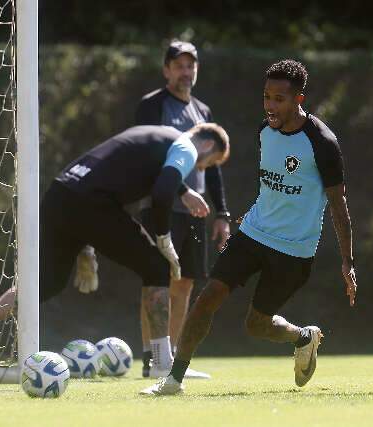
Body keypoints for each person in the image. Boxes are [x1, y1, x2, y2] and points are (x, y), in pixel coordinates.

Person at [142, 59, 357, 396]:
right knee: (207, 297)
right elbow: (272, 185)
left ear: (299, 99)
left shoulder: (322, 143)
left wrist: (347, 261)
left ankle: (303, 337)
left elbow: (338, 205)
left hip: (294, 249)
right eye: (267, 97)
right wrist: (253, 215)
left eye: (279, 99)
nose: (270, 105)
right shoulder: (264, 131)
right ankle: (173, 380)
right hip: (254, 234)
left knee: (256, 326)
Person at [0, 124, 230, 379]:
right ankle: (162, 363)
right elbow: (162, 192)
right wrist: (164, 239)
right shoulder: (186, 147)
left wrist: (86, 244)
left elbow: (120, 169)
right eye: (205, 164)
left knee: (46, 283)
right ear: (206, 144)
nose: (198, 167)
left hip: (60, 195)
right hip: (91, 204)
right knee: (157, 267)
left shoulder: (157, 135)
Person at [75, 40, 229, 379]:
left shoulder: (203, 112)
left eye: (191, 65)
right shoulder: (152, 106)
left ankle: (173, 360)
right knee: (157, 279)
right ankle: (152, 357)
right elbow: (151, 156)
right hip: (161, 206)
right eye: (179, 65)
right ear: (166, 70)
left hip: (196, 213)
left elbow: (213, 167)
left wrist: (222, 214)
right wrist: (184, 190)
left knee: (186, 283)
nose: (186, 72)